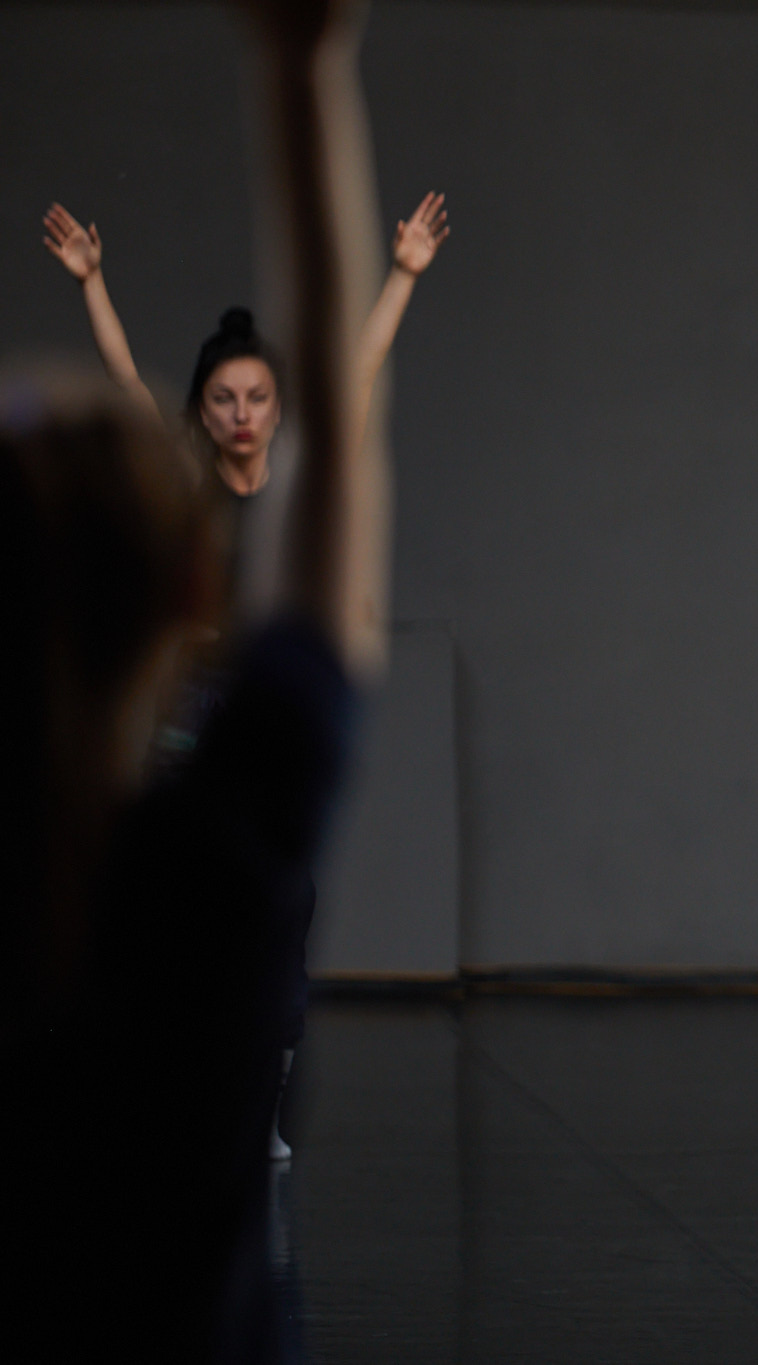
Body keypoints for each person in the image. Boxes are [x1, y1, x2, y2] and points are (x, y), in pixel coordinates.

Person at [3, 0, 390, 1356]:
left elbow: (325, 412)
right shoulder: (206, 871)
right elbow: (344, 428)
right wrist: (299, 63)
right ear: (180, 584)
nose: (237, 415)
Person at [42, 124, 446, 1163]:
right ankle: (153, 1079)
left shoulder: (296, 478)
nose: (240, 414)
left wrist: (402, 276)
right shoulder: (187, 476)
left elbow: (357, 374)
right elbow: (128, 387)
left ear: (274, 407)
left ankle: (257, 1101)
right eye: (223, 399)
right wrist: (92, 284)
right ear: (207, 408)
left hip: (262, 713)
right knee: (170, 892)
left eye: (256, 398)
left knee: (273, 902)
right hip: (187, 713)